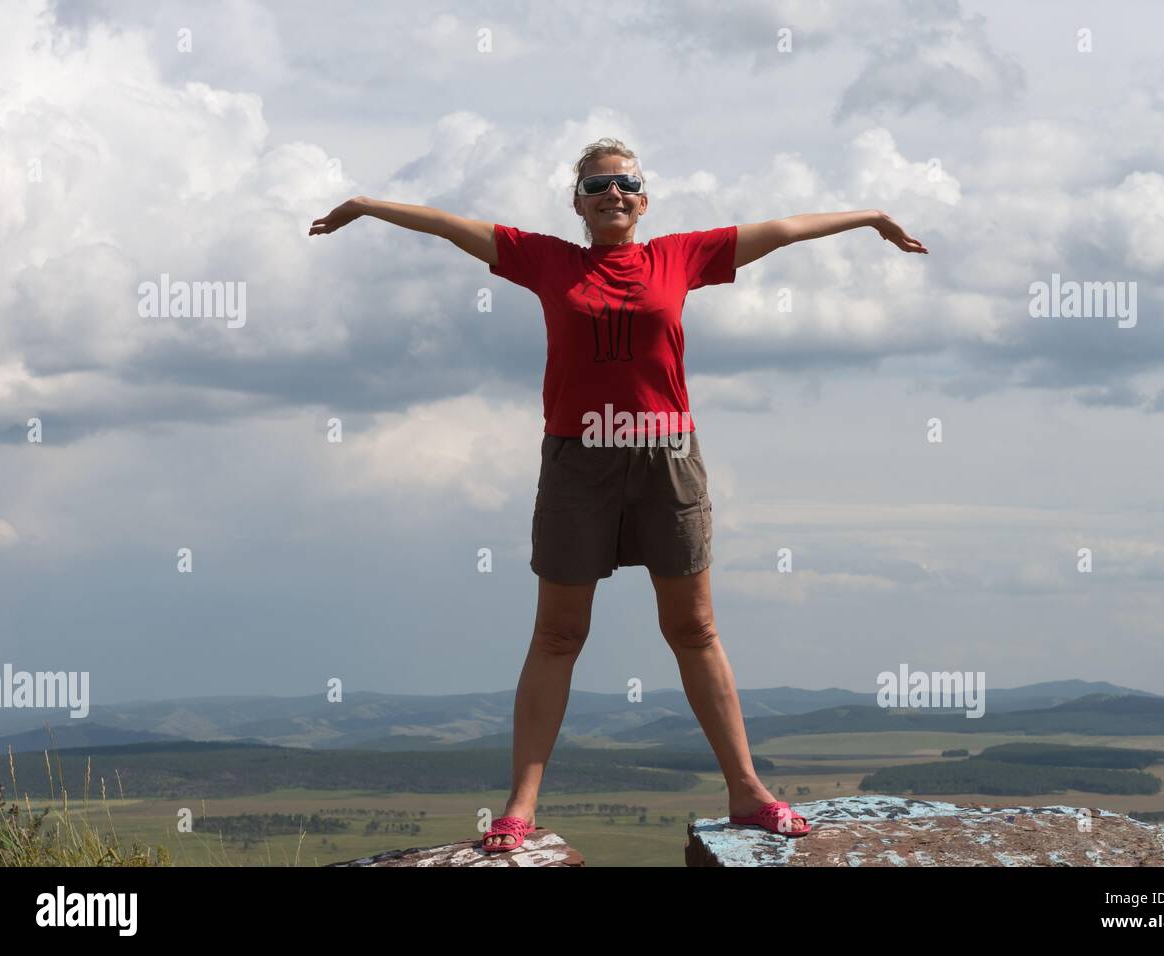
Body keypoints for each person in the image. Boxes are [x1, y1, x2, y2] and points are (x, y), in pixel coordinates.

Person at [310, 137, 927, 852]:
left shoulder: (680, 256)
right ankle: (519, 806)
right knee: (559, 634)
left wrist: (871, 216)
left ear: (644, 198)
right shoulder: (548, 261)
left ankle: (747, 792)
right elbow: (452, 224)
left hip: (667, 456)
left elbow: (783, 229)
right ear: (577, 202)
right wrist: (363, 205)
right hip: (579, 460)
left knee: (694, 630)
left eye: (627, 183)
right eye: (598, 185)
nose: (614, 194)